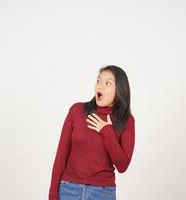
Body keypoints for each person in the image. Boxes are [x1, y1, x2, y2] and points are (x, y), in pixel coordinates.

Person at [48, 65, 135, 200]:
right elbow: (61, 156)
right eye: (98, 81)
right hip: (68, 190)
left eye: (108, 83)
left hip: (102, 193)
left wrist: (107, 131)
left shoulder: (126, 120)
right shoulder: (76, 111)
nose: (100, 86)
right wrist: (53, 193)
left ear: (119, 90)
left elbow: (122, 166)